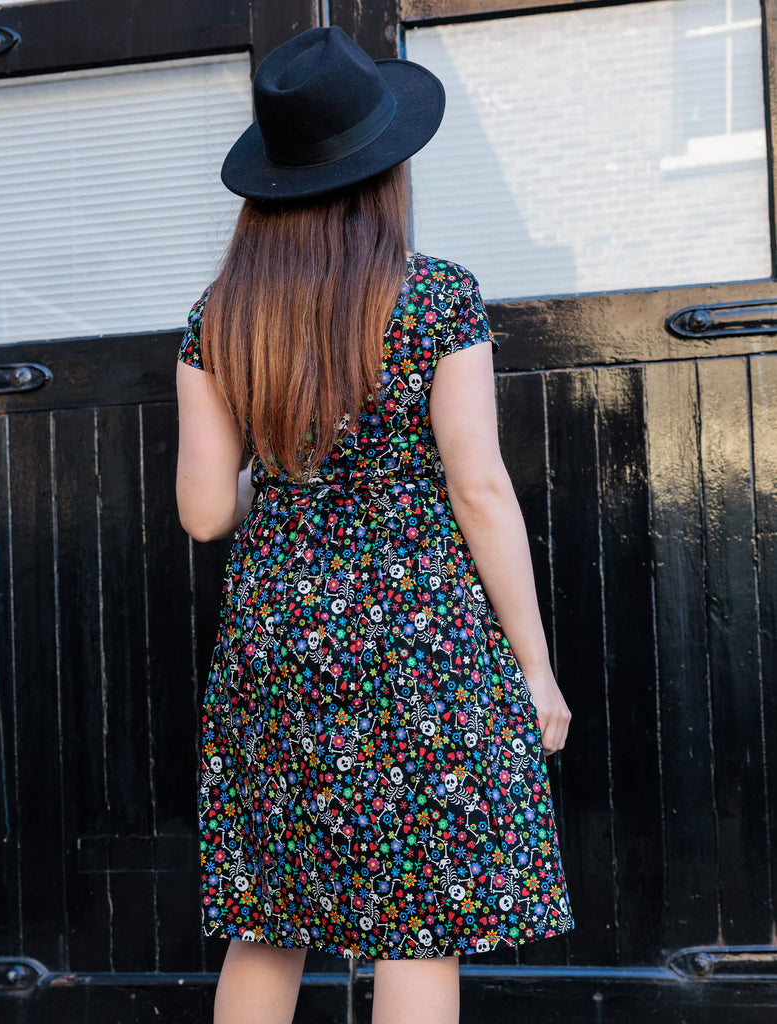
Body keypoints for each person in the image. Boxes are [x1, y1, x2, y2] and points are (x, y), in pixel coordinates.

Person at [176, 25, 573, 1024]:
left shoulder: (217, 319)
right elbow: (479, 487)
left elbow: (205, 511)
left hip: (277, 637)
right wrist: (532, 667)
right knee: (417, 915)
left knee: (270, 914)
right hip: (418, 636)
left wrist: (293, 476)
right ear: (383, 171)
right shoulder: (438, 298)